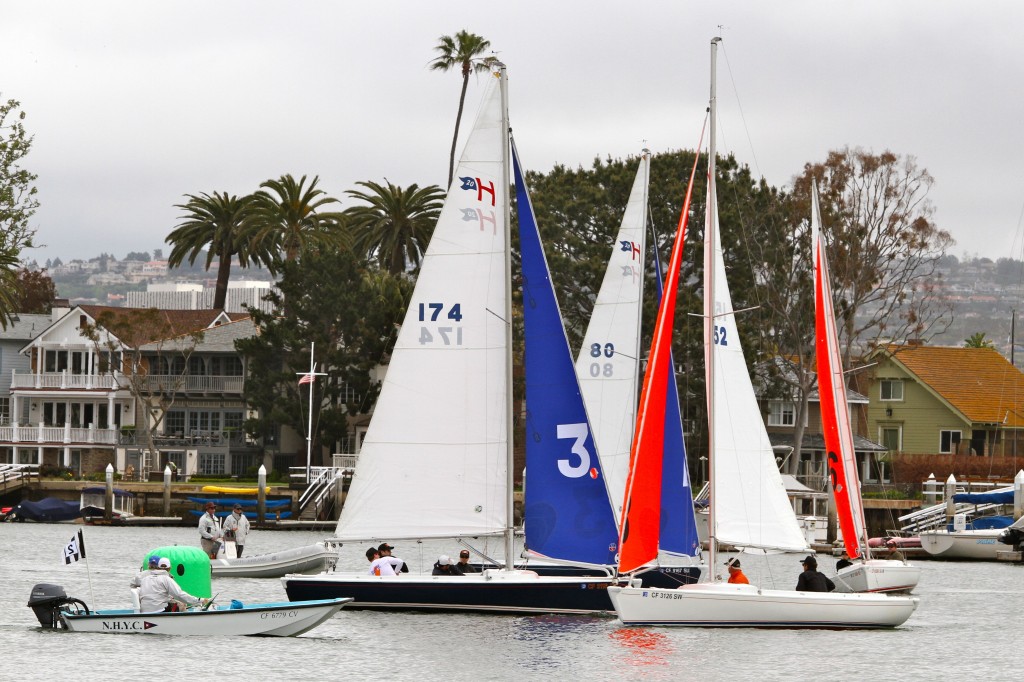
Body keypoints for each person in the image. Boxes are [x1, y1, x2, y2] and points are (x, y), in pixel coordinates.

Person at [138, 557, 206, 612]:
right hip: (159, 611)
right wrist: (199, 600)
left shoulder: (144, 579)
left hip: (144, 611)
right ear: (170, 568)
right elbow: (179, 595)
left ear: (157, 567)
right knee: (182, 605)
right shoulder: (166, 579)